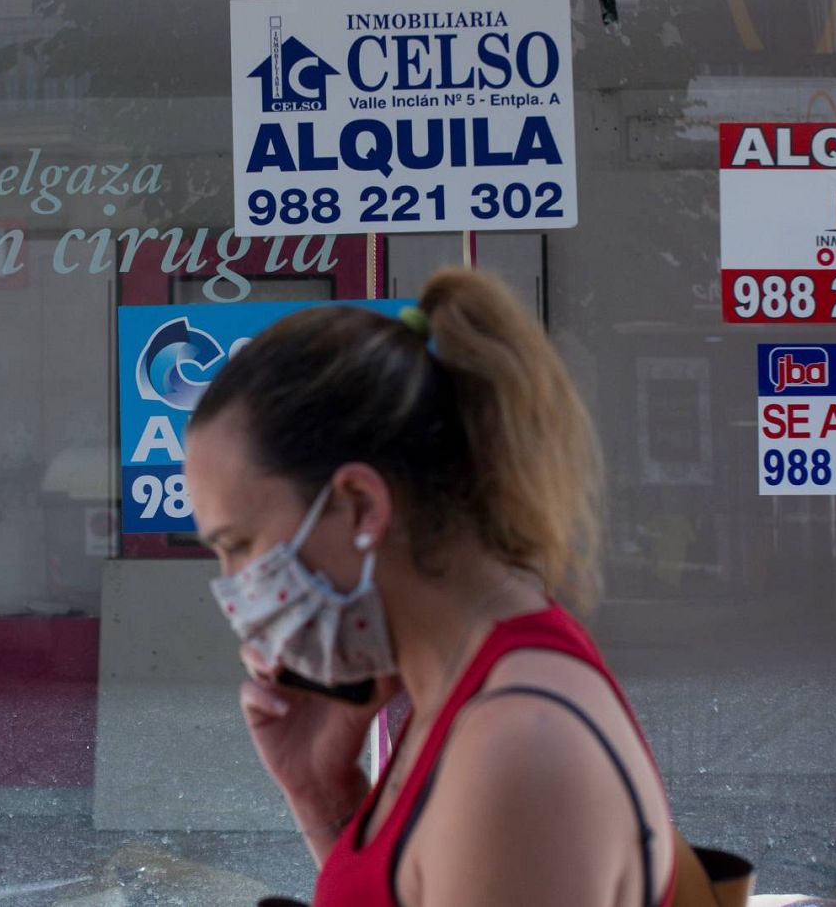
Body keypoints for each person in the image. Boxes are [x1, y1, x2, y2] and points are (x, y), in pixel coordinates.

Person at [183, 269, 677, 907]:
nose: (232, 586)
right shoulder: (465, 694)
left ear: (361, 506)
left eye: (238, 544)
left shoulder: (513, 747)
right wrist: (322, 793)